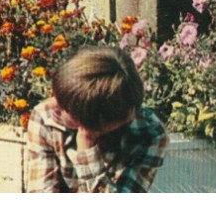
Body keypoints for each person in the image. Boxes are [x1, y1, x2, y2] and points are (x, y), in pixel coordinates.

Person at [25, 46, 167, 193]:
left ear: (97, 123)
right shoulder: (45, 116)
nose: (53, 105)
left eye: (64, 107)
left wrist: (87, 147)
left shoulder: (150, 133)